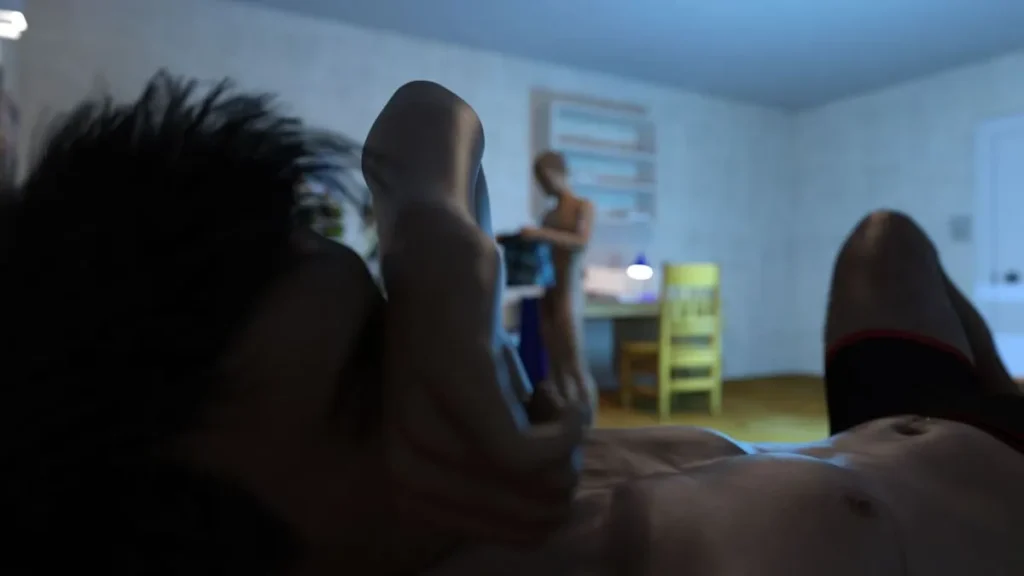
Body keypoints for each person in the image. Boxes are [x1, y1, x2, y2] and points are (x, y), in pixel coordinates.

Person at [7, 73, 1024, 576]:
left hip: (914, 424)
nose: (435, 359)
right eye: (370, 391)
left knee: (885, 243)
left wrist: (434, 236)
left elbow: (425, 116)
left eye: (392, 309)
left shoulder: (483, 433)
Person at [518, 151, 597, 415]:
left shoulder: (582, 207)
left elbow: (581, 241)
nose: (542, 186)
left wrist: (541, 234)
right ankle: (567, 419)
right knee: (555, 363)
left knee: (574, 363)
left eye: (543, 179)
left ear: (555, 174)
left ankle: (590, 423)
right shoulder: (548, 216)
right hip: (549, 291)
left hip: (569, 291)